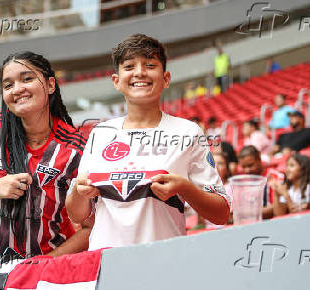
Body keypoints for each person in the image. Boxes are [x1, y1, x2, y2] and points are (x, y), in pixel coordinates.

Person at [66, 34, 231, 250]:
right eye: (129, 66)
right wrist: (79, 192)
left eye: (150, 65)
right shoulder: (100, 133)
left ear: (166, 78)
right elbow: (76, 213)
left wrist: (185, 189)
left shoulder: (187, 132)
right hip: (103, 265)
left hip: (163, 263)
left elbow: (221, 214)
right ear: (116, 81)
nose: (140, 72)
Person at [0, 51, 91, 271]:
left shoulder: (76, 148)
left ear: (50, 85)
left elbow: (88, 228)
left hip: (48, 271)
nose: (17, 89)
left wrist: (43, 264)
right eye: (8, 85)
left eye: (27, 79)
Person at [237, 145, 273, 219]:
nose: (247, 170)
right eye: (243, 167)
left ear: (259, 159)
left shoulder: (274, 177)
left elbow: (277, 207)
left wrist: (247, 214)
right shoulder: (243, 183)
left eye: (250, 165)